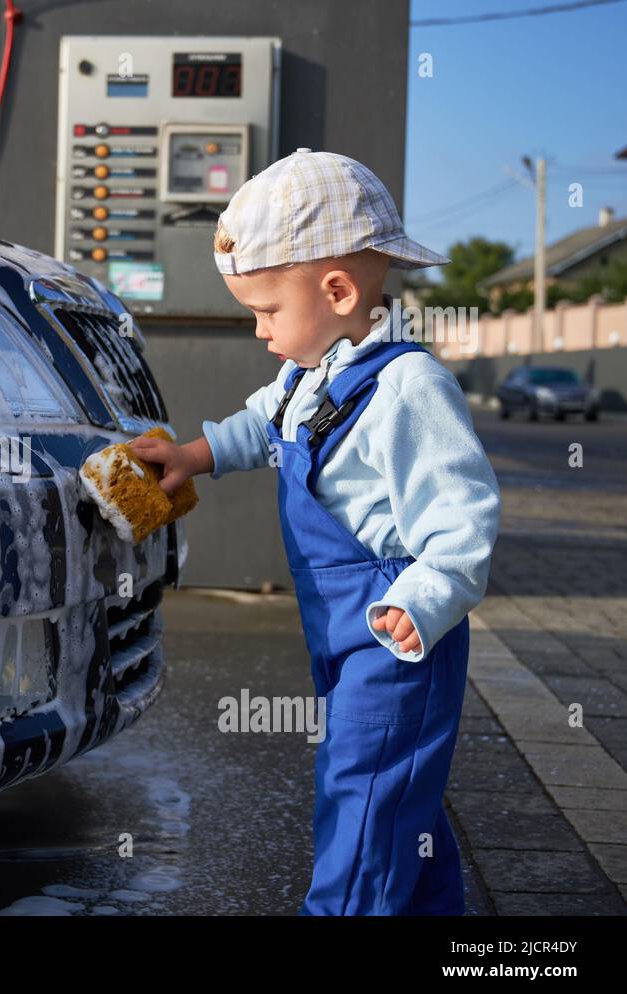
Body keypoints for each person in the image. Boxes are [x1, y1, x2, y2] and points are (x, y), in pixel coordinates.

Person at [132, 149, 502, 915]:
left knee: (362, 794)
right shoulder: (306, 376)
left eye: (267, 311)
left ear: (336, 289)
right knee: (399, 795)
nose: (261, 331)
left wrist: (422, 602)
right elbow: (260, 427)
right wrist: (193, 456)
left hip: (398, 635)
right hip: (339, 637)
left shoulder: (408, 386)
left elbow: (464, 522)